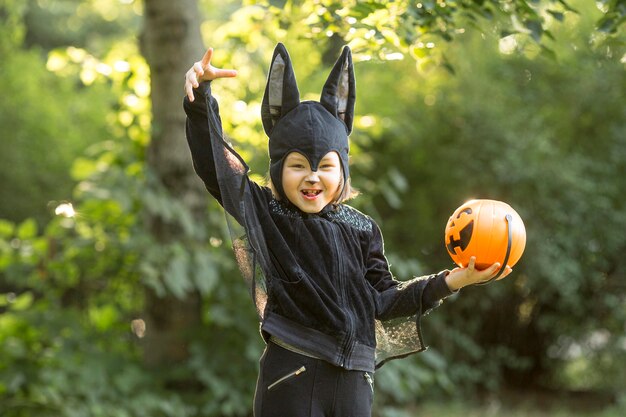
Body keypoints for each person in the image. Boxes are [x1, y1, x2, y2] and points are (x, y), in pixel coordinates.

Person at [183, 44, 511, 417]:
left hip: (355, 381)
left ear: (341, 171)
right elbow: (219, 170)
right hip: (292, 374)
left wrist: (452, 281)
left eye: (324, 165)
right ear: (277, 170)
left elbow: (385, 301)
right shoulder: (269, 212)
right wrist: (200, 102)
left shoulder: (361, 228)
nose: (312, 176)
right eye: (297, 165)